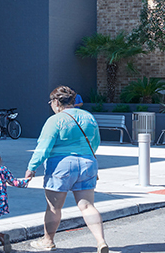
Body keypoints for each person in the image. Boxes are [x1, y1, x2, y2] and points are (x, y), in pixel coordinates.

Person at [24, 85, 109, 253]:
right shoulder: (89, 117)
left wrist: (32, 167)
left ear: (56, 102)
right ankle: (101, 241)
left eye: (51, 102)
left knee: (54, 208)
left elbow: (44, 147)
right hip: (87, 163)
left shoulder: (55, 120)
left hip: (61, 166)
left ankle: (48, 241)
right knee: (87, 206)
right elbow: (96, 142)